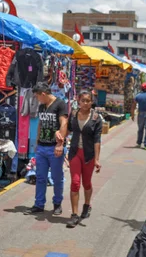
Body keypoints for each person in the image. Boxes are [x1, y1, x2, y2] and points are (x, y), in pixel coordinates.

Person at [24, 82, 68, 216]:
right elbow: (40, 124)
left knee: (57, 177)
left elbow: (64, 123)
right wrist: (37, 142)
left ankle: (57, 203)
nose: (37, 99)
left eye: (37, 96)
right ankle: (39, 204)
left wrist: (60, 144)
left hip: (54, 148)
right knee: (40, 176)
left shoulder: (60, 104)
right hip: (42, 147)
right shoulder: (42, 106)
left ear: (43, 94)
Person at [63, 91, 103, 228]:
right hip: (74, 153)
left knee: (86, 183)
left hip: (88, 155)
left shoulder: (96, 118)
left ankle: (87, 205)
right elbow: (67, 130)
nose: (85, 103)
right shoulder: (73, 114)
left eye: (88, 101)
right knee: (75, 183)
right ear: (78, 101)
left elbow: (97, 140)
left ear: (92, 102)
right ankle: (74, 215)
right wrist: (59, 140)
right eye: (83, 100)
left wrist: (97, 159)